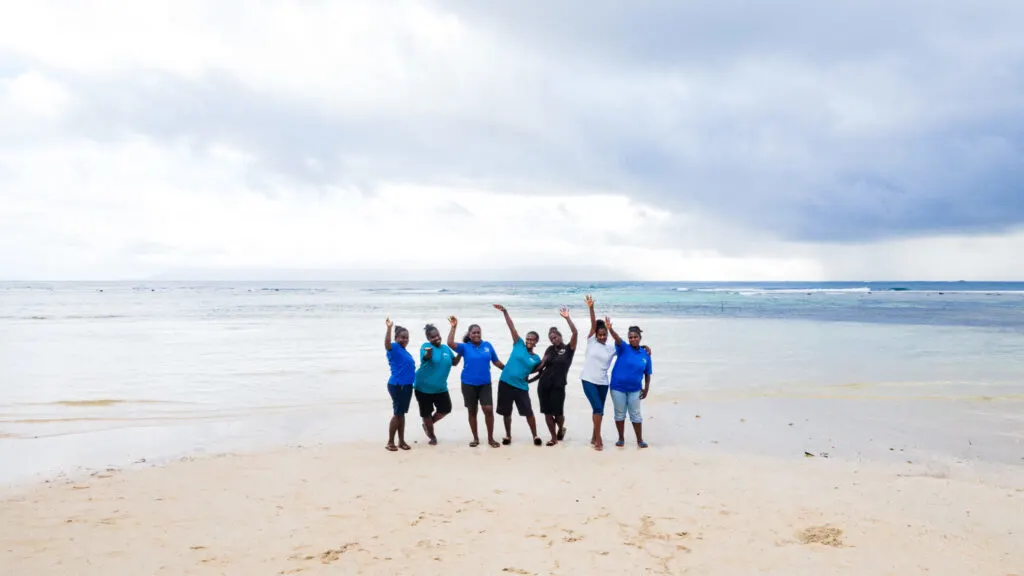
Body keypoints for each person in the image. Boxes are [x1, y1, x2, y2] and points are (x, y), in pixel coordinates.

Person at [447, 316, 505, 448]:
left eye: (478, 332)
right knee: (472, 411)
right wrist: (454, 326)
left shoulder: (487, 345)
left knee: (488, 409)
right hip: (468, 384)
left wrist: (507, 370)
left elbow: (496, 361)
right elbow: (450, 343)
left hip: (485, 384)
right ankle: (475, 438)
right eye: (474, 332)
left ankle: (490, 439)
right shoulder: (465, 347)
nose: (476, 334)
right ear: (469, 334)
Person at [493, 304, 543, 446]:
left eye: (532, 339)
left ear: (536, 342)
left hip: (521, 387)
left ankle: (535, 436)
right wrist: (505, 311)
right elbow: (512, 327)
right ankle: (508, 435)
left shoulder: (536, 358)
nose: (529, 341)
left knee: (528, 412)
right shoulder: (518, 344)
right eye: (528, 338)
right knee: (506, 412)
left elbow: (538, 372)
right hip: (505, 383)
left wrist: (530, 381)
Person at [529, 307, 578, 446]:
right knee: (547, 413)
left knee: (559, 414)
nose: (553, 340)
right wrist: (526, 374)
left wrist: (567, 318)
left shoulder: (569, 349)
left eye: (555, 337)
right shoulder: (549, 350)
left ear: (560, 336)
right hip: (544, 385)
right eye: (551, 339)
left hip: (558, 385)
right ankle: (553, 438)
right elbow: (541, 366)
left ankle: (561, 428)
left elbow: (575, 332)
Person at [605, 316, 652, 448]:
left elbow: (647, 374)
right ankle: (621, 438)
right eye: (630, 337)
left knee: (636, 414)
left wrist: (646, 389)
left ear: (639, 338)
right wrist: (611, 329)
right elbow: (617, 339)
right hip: (617, 388)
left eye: (635, 337)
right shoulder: (624, 348)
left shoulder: (645, 354)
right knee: (619, 413)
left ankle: (639, 440)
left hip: (635, 390)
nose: (632, 339)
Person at [414, 323, 460, 445]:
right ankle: (432, 437)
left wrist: (461, 352)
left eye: (437, 335)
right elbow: (426, 357)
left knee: (446, 409)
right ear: (428, 339)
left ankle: (428, 425)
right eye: (432, 337)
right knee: (426, 413)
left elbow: (454, 362)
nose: (436, 338)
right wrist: (429, 352)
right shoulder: (426, 346)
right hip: (423, 388)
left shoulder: (445, 348)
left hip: (440, 388)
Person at [384, 317, 415, 451]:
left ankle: (401, 441)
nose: (405, 340)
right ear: (396, 338)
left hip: (406, 386)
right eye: (402, 337)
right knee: (397, 413)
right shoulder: (395, 347)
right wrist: (389, 328)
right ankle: (390, 442)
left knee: (401, 414)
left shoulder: (403, 350)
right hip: (397, 385)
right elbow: (387, 344)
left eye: (407, 338)